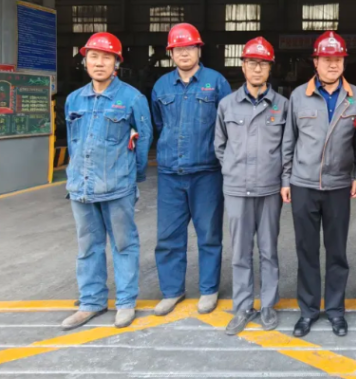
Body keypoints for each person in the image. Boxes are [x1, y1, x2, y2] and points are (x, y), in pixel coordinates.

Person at [281, 31, 356, 338]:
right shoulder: (298, 96)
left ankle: (335, 311)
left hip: (338, 186)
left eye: (338, 59)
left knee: (337, 253)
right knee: (306, 251)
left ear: (344, 62)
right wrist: (286, 179)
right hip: (303, 184)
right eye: (326, 59)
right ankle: (308, 311)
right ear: (315, 62)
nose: (333, 64)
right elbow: (288, 141)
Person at [61, 32, 153, 330]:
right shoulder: (74, 100)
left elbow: (144, 139)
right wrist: (77, 173)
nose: (99, 63)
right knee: (88, 247)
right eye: (94, 57)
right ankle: (91, 302)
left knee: (124, 245)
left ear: (117, 63)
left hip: (117, 187)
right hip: (81, 187)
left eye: (106, 57)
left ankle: (125, 302)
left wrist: (133, 176)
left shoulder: (132, 98)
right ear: (85, 61)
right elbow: (74, 143)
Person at [151, 23, 232, 317]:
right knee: (168, 236)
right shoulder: (161, 86)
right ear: (170, 53)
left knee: (209, 234)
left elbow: (227, 124)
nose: (184, 53)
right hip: (170, 173)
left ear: (199, 50)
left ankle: (208, 289)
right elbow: (159, 124)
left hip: (207, 172)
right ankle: (172, 291)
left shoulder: (216, 82)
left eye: (189, 48)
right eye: (178, 49)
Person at [215, 37, 287, 334]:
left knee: (269, 250)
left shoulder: (282, 105)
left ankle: (268, 304)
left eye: (263, 64)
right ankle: (243, 306)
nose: (257, 69)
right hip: (236, 190)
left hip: (270, 189)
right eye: (252, 63)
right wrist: (234, 171)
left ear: (270, 68)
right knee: (240, 252)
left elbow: (287, 149)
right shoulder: (227, 105)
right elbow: (220, 146)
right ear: (243, 66)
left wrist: (282, 180)